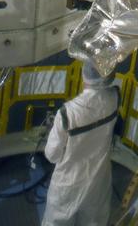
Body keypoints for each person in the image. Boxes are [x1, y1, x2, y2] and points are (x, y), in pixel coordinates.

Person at [43, 61, 118, 226]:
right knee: (94, 221)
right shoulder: (114, 97)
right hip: (98, 179)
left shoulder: (66, 113)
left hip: (68, 184)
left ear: (83, 74)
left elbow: (52, 155)